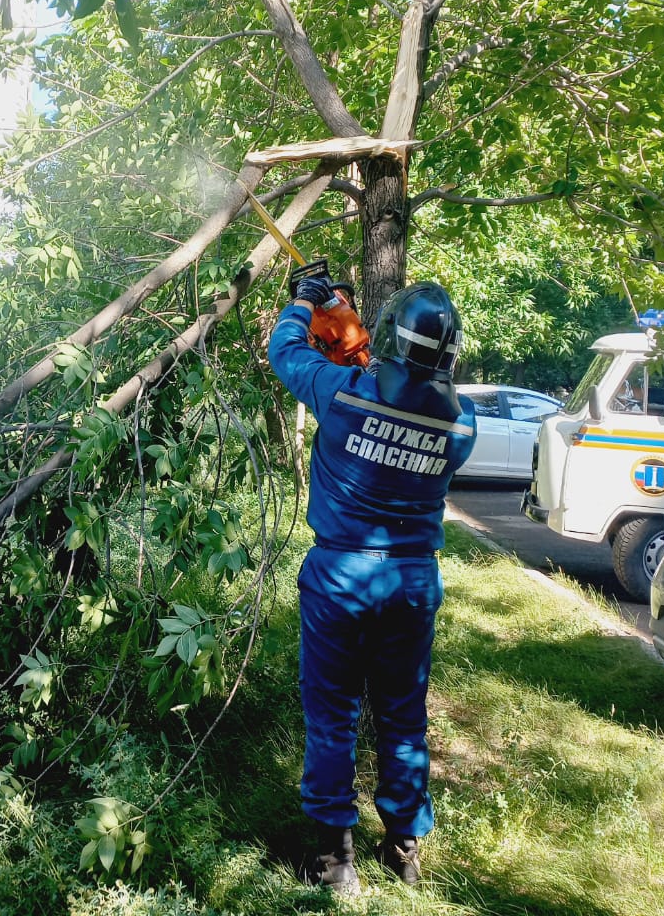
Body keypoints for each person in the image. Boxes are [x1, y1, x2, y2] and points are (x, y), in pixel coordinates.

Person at [267, 275, 478, 893]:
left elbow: (287, 351)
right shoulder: (462, 427)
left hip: (342, 579)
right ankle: (404, 851)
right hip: (413, 584)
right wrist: (357, 346)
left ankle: (336, 863)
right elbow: (400, 404)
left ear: (388, 336)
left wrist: (307, 302)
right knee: (402, 715)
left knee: (333, 715)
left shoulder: (339, 392)